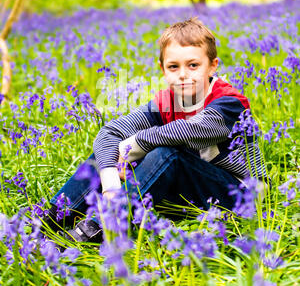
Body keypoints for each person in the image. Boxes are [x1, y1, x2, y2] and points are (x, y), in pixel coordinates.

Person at [43, 17, 269, 243]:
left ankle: (100, 227)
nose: (182, 74)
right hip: (191, 189)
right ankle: (52, 218)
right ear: (163, 69)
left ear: (212, 65)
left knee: (166, 154)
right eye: (173, 66)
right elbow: (109, 134)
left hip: (240, 195)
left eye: (193, 65)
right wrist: (111, 184)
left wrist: (136, 145)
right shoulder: (165, 103)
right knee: (106, 155)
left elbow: (195, 129)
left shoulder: (229, 102)